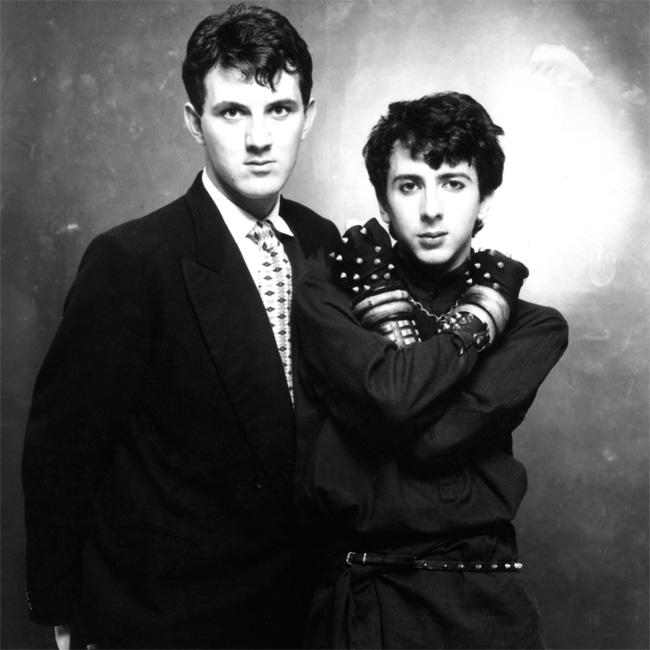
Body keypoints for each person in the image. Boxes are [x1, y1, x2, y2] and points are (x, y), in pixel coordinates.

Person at [22, 4, 339, 648]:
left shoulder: (320, 239)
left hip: (305, 611)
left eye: (279, 110)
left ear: (309, 115)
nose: (259, 138)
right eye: (233, 112)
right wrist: (64, 609)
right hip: (169, 614)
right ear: (195, 122)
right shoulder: (132, 259)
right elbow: (63, 450)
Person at [293, 91, 569, 648]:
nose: (431, 209)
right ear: (383, 201)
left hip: (485, 606)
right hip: (365, 602)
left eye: (454, 184)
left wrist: (400, 389)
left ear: (485, 200)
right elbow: (394, 400)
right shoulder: (328, 293)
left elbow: (432, 440)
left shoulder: (534, 326)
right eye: (409, 185)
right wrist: (478, 319)